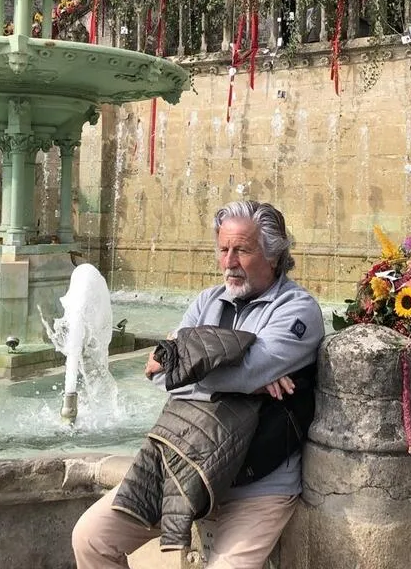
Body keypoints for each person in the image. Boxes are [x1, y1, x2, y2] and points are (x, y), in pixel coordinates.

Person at [72, 200, 325, 569]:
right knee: (91, 538)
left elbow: (230, 370)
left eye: (242, 250)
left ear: (273, 255)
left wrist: (204, 366)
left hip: (257, 485)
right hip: (185, 466)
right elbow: (162, 376)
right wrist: (249, 382)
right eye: (223, 249)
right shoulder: (206, 301)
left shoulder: (297, 310)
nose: (228, 262)